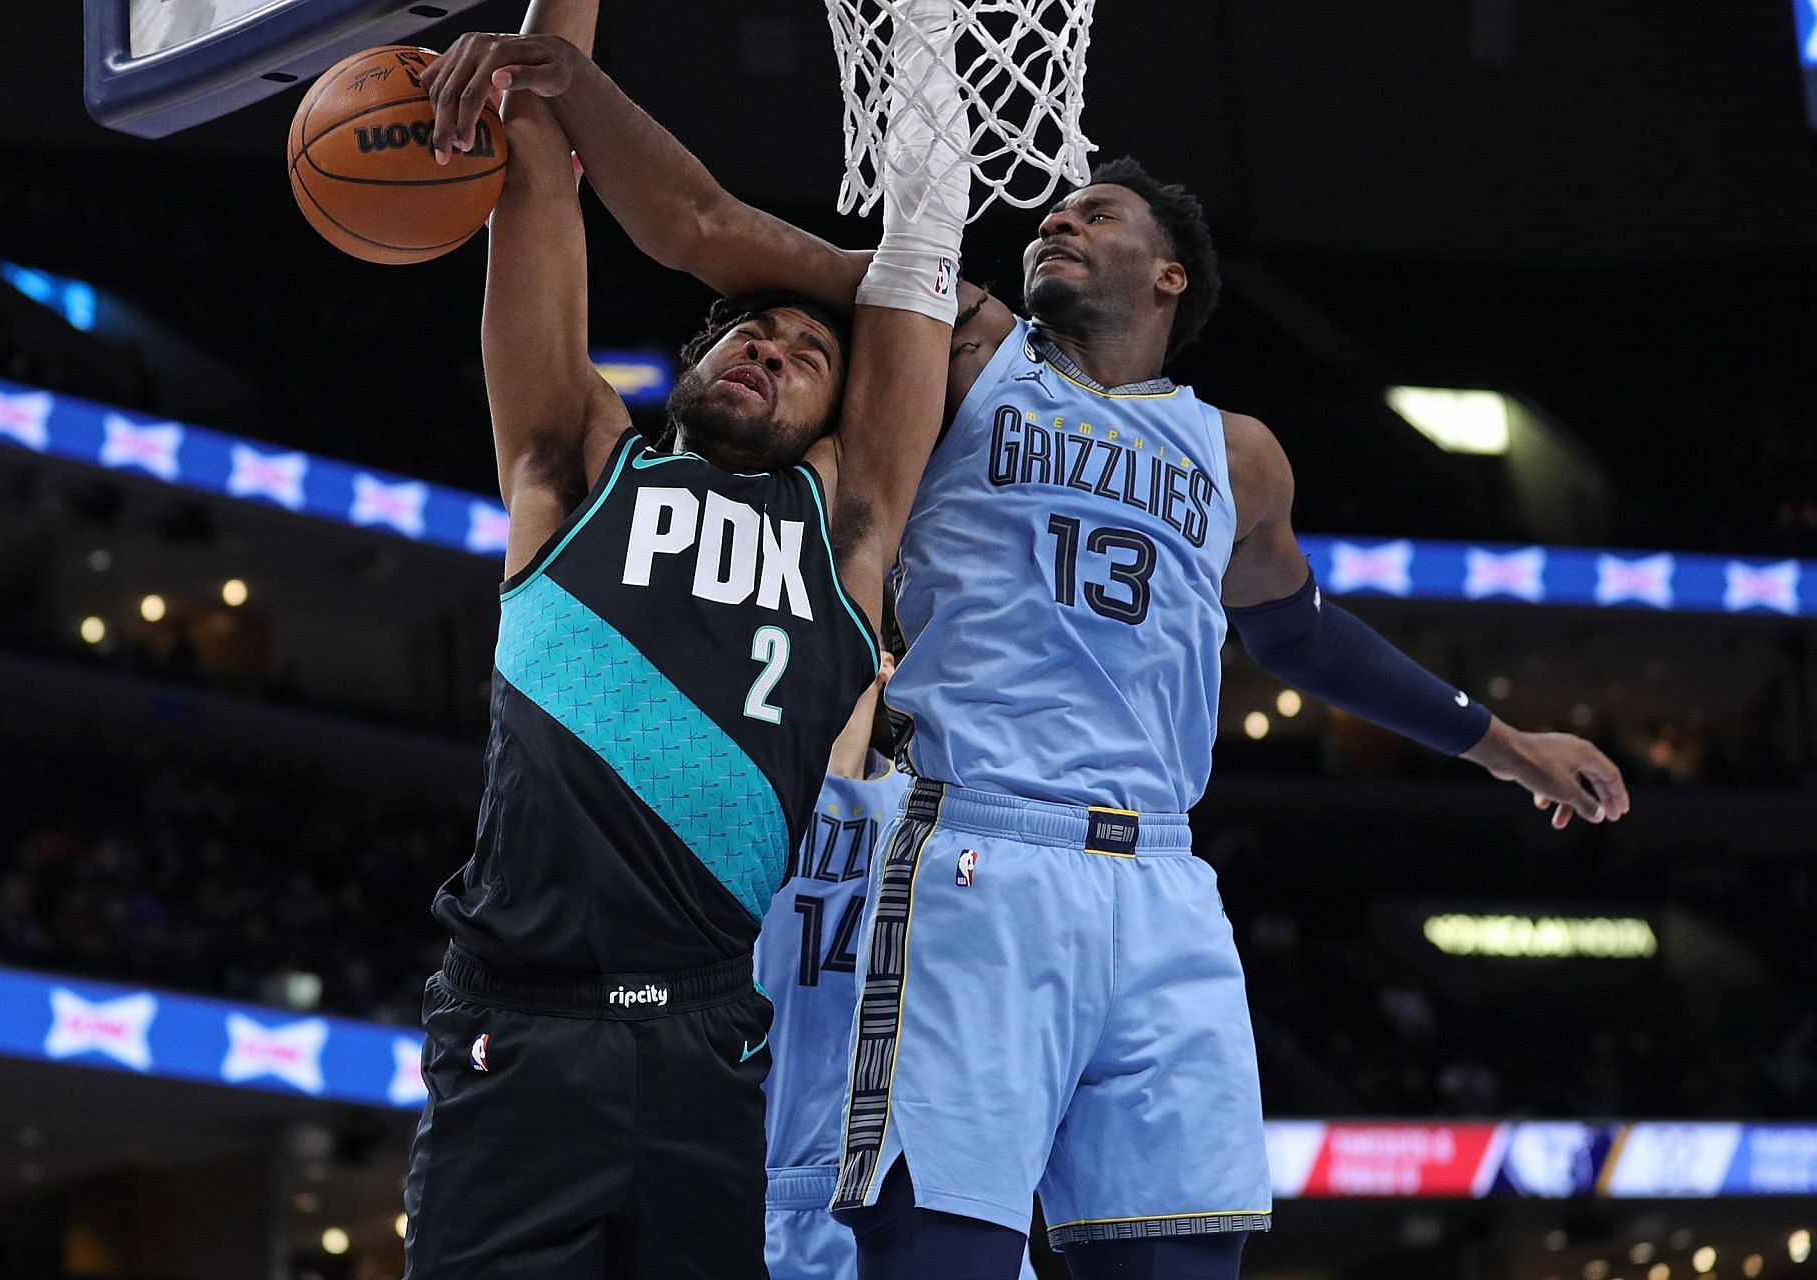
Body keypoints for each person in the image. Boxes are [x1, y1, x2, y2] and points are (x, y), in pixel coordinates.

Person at [452, 29, 1631, 1280]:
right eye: (1053, 210)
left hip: (1165, 877)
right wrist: (574, 85)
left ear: (1172, 275)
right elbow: (702, 225)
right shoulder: (967, 348)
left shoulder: (1241, 456)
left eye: (1097, 212)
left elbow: (1295, 628)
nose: (1056, 221)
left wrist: (1500, 744)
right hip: (972, 849)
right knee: (936, 1251)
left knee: (1176, 1256)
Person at [403, 2, 969, 1275]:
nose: (767, 345)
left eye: (808, 353)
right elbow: (539, 163)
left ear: (839, 419)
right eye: (745, 334)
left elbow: (925, 254)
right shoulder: (577, 458)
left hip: (714, 1043)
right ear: (691, 362)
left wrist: (925, 46)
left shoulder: (849, 523)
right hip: (519, 1024)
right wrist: (548, 36)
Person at [754, 651, 1042, 1280]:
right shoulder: (740, 802)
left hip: (921, 1190)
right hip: (763, 1190)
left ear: (885, 667)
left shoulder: (948, 814)